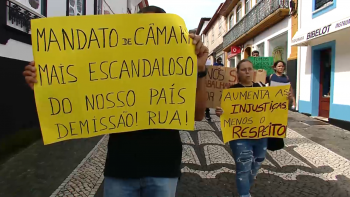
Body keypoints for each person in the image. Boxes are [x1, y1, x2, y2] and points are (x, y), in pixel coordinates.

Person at [23, 6, 208, 197]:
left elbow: (198, 114)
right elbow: (81, 96)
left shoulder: (177, 67)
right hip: (120, 168)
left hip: (163, 167)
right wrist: (45, 88)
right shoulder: (113, 66)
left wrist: (200, 69)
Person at [215, 59, 291, 197]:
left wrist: (287, 99)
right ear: (237, 73)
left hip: (261, 136)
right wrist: (221, 111)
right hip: (240, 137)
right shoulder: (232, 91)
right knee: (244, 167)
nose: (248, 72)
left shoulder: (262, 87)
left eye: (250, 69)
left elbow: (273, 105)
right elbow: (226, 111)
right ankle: (244, 194)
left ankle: (245, 187)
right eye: (244, 69)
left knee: (256, 164)